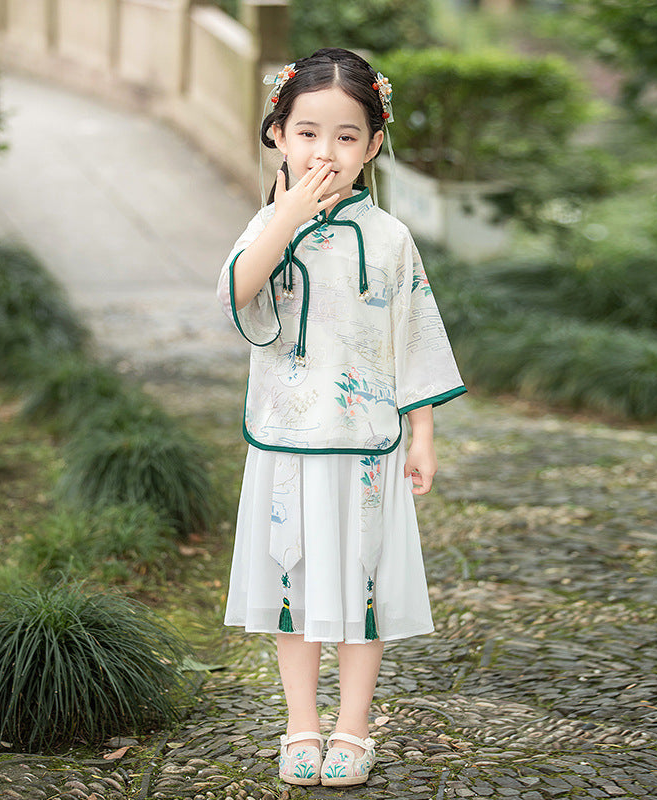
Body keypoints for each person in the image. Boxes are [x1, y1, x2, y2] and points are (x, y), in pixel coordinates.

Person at [216, 47, 465, 788]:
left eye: (347, 135)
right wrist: (288, 213)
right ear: (278, 136)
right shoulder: (265, 225)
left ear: (374, 144)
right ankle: (300, 725)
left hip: (367, 446)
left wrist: (422, 433)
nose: (326, 150)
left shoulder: (389, 238)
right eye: (308, 132)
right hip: (287, 440)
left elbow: (415, 332)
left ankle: (353, 729)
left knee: (363, 590)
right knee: (295, 585)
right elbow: (237, 296)